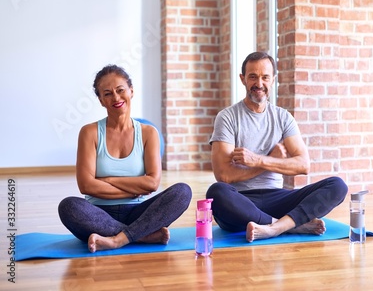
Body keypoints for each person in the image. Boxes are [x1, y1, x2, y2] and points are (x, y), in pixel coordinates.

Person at [207, 51, 348, 242]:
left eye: (265, 77)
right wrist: (269, 161)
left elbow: (303, 165)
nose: (259, 84)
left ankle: (274, 228)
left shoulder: (283, 117)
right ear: (242, 79)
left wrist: (259, 160)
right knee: (217, 192)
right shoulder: (227, 117)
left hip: (278, 198)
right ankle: (287, 226)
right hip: (241, 201)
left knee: (337, 185)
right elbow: (224, 175)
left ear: (273, 79)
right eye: (253, 77)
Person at [58, 64, 192, 253]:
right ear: (101, 100)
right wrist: (133, 189)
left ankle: (116, 239)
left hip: (139, 213)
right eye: (107, 93)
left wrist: (109, 180)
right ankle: (141, 235)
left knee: (182, 192)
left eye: (120, 90)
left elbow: (152, 183)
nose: (116, 97)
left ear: (131, 91)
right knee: (68, 207)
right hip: (98, 214)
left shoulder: (148, 133)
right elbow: (86, 186)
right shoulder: (90, 132)